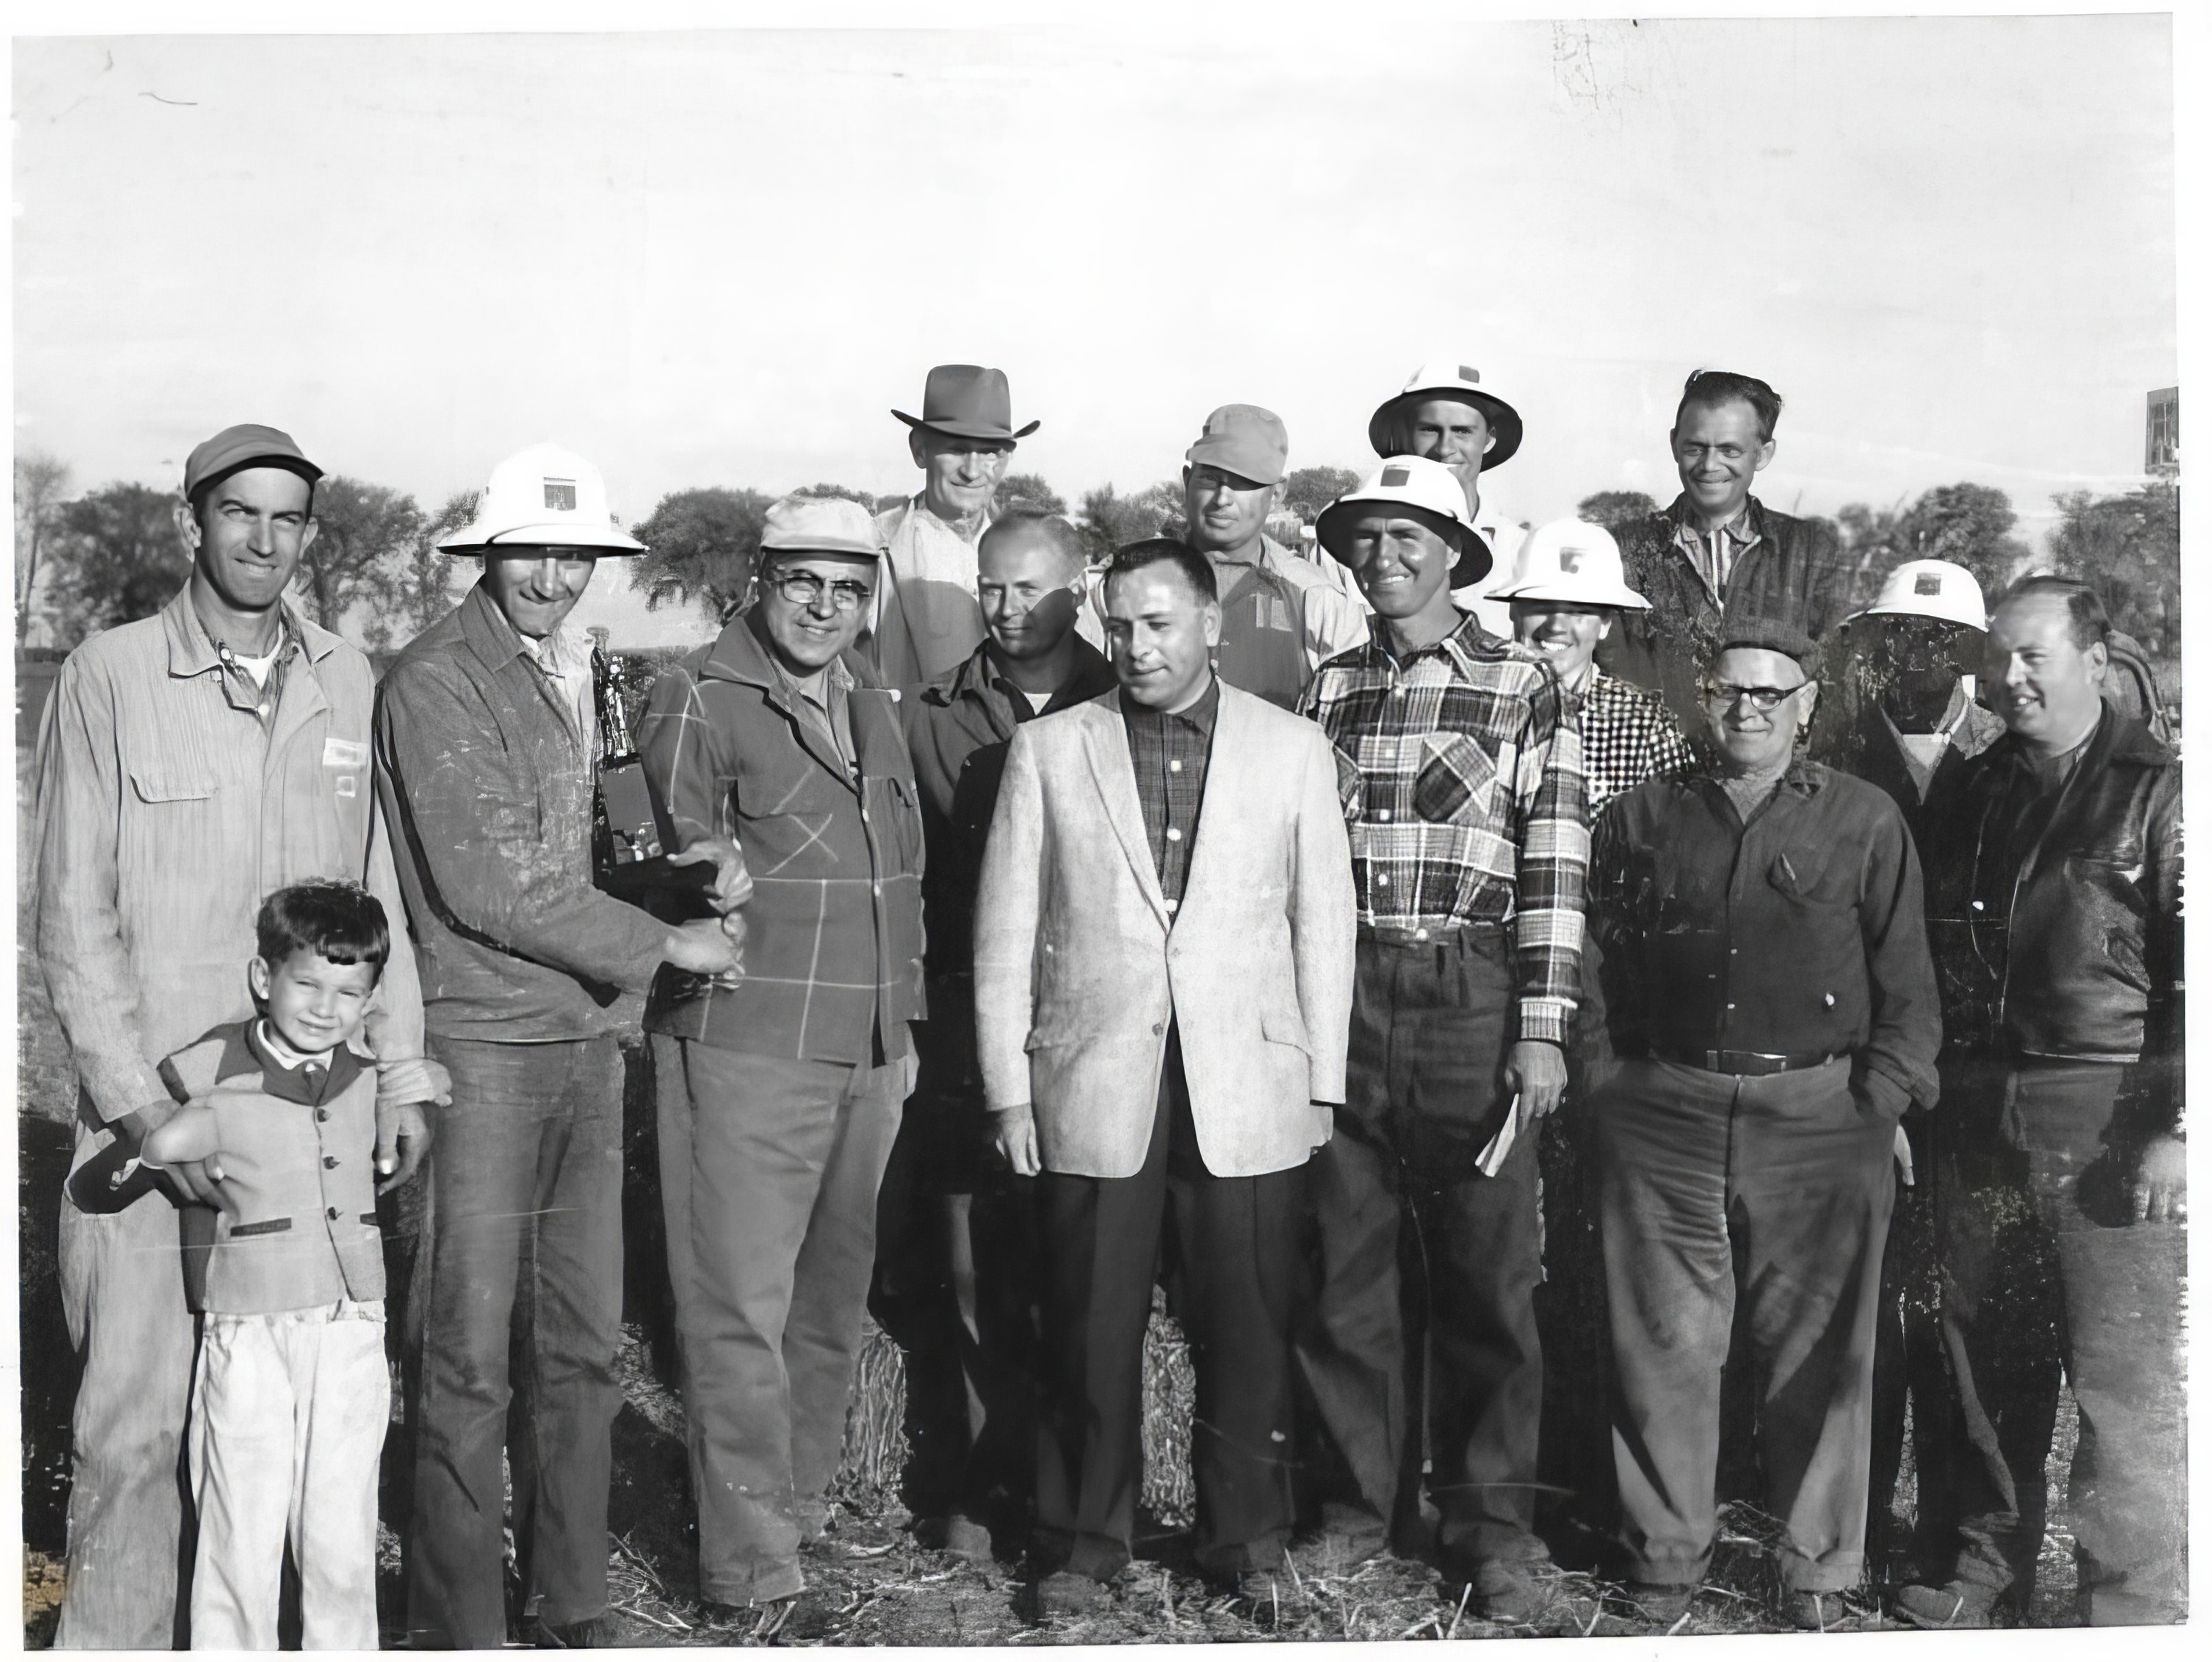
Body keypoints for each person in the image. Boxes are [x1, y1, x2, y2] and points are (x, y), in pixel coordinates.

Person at [32, 422, 444, 1649]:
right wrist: (150, 1119)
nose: (266, 539)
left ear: (312, 535)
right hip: (163, 1113)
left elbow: (379, 903)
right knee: (136, 1422)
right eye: (241, 513)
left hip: (309, 1126)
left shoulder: (347, 677)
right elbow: (69, 915)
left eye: (289, 519)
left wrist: (404, 1078)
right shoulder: (108, 675)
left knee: (293, 1439)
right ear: (193, 519)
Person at [375, 444, 744, 1648]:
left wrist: (683, 876)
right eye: (531, 550)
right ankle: (457, 1619)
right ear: (486, 554)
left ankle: (572, 1600)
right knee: (467, 1355)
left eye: (573, 554)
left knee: (581, 1343)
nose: (551, 573)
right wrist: (669, 946)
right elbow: (490, 883)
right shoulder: (435, 677)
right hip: (482, 1046)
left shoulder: (588, 672)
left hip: (587, 1041)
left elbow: (591, 847)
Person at [974, 537, 1356, 1616]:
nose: (1137, 646)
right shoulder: (1052, 750)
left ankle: (1246, 1543)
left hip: (1249, 1088)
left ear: (1210, 626)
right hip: (1093, 1083)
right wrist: (1011, 1090)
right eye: (1121, 625)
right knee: (1089, 1324)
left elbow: (1323, 924)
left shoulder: (1292, 751)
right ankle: (1082, 1547)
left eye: (1160, 624)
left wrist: (1320, 1082)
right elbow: (1008, 929)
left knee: (1246, 1322)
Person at [1586, 623, 1940, 1631]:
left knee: (1821, 1350)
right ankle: (1663, 1560)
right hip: (1668, 1112)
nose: (1748, 710)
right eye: (1731, 692)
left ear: (1808, 706)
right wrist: (1610, 1086)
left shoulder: (1863, 819)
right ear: (1707, 699)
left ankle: (1816, 1571)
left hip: (1821, 1113)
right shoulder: (1645, 816)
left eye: (1770, 695)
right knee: (1664, 1343)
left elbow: (1909, 981)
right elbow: (1598, 963)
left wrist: (1878, 1106)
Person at [1294, 457, 1586, 1619]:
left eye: (1411, 535)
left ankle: (1491, 1526)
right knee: (1344, 1268)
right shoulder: (1331, 685)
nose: (1386, 555)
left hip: (1472, 991)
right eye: (1367, 537)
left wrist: (1542, 1026)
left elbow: (1556, 861)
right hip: (1348, 991)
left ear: (1458, 550)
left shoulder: (1525, 681)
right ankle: (1357, 1512)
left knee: (1487, 1273)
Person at [638, 495, 928, 1630]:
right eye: (802, 580)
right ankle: (750, 1572)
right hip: (747, 1041)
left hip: (868, 1045)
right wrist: (694, 873)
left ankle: (795, 1517)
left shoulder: (869, 695)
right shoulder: (697, 694)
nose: (825, 605)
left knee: (825, 1300)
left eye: (849, 586)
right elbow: (654, 861)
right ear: (758, 580)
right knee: (736, 1312)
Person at [1902, 576, 2184, 1629]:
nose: (2009, 679)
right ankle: (1987, 1573)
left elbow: (2192, 973)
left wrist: (2177, 1126)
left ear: (2096, 661)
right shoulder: (1974, 788)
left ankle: (2136, 1605)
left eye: (2035, 658)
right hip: (1977, 1105)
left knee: (2120, 1376)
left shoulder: (2162, 790)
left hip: (2104, 1106)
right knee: (1980, 1356)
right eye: (1998, 659)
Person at [872, 510, 1116, 1561]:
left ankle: (1083, 1493)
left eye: (1031, 589)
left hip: (1101, 1012)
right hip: (976, 1013)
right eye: (992, 589)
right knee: (973, 1263)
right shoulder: (931, 713)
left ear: (1082, 586)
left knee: (1087, 1260)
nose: (1009, 610)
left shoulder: (1128, 698)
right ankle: (978, 1488)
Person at [141, 883, 407, 1650]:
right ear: (264, 978)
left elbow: (408, 1106)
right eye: (308, 983)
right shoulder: (212, 1065)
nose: (326, 1008)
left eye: (349, 992)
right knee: (240, 1519)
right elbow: (156, 1144)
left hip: (351, 1323)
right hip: (251, 1321)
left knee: (340, 1530)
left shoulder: (371, 1073)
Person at [1804, 557, 2001, 1574]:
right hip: (1867, 1068)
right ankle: (1855, 1529)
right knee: (1869, 1307)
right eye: (1898, 637)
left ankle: (1955, 1535)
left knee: (1959, 1316)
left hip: (1975, 1075)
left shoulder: (2006, 755)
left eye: (1938, 638)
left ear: (1973, 650)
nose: (1916, 655)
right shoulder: (1837, 751)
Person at [1599, 370, 1857, 731]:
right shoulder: (1620, 550)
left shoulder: (1815, 553)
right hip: (1654, 772)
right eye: (1695, 447)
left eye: (1729, 450)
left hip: (1774, 775)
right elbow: (1606, 677)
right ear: (1674, 444)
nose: (1709, 465)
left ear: (1763, 453)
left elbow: (1834, 686)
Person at [1084, 404, 1367, 709]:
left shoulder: (1316, 598)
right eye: (1210, 479)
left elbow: (1351, 718)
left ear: (1277, 493)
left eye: (1244, 482)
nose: (1222, 499)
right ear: (1187, 480)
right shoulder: (1120, 582)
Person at [1494, 516, 1693, 812]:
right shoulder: (1475, 704)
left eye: (1578, 611)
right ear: (1514, 612)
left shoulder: (1648, 726)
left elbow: (1676, 840)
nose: (1556, 625)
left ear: (1605, 624)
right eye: (1541, 604)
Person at [868, 363, 1040, 695]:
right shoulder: (875, 549)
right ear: (920, 449)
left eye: (991, 451)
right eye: (957, 449)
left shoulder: (1034, 553)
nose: (973, 471)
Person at [1357, 361, 1528, 635]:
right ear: (1407, 437)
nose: (1445, 448)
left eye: (1463, 431)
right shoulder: (1356, 552)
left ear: (1489, 439)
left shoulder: (1523, 553)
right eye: (1429, 430)